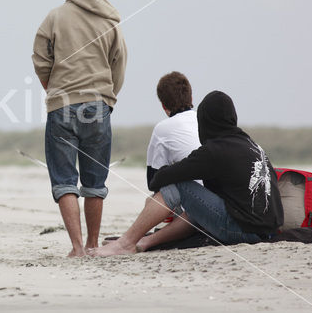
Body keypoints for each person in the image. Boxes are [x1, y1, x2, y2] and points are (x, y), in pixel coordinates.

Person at [90, 90, 284, 256]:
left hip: (243, 231)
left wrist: (169, 171)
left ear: (205, 122)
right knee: (200, 198)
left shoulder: (215, 150)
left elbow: (162, 178)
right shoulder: (251, 144)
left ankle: (125, 244)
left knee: (180, 186)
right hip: (268, 231)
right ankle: (144, 242)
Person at [32, 0, 128, 257]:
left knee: (64, 181)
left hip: (61, 105)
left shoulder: (56, 16)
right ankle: (92, 244)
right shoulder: (112, 20)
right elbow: (119, 63)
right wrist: (109, 97)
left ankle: (76, 247)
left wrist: (52, 87)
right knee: (95, 182)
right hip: (99, 105)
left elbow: (40, 58)